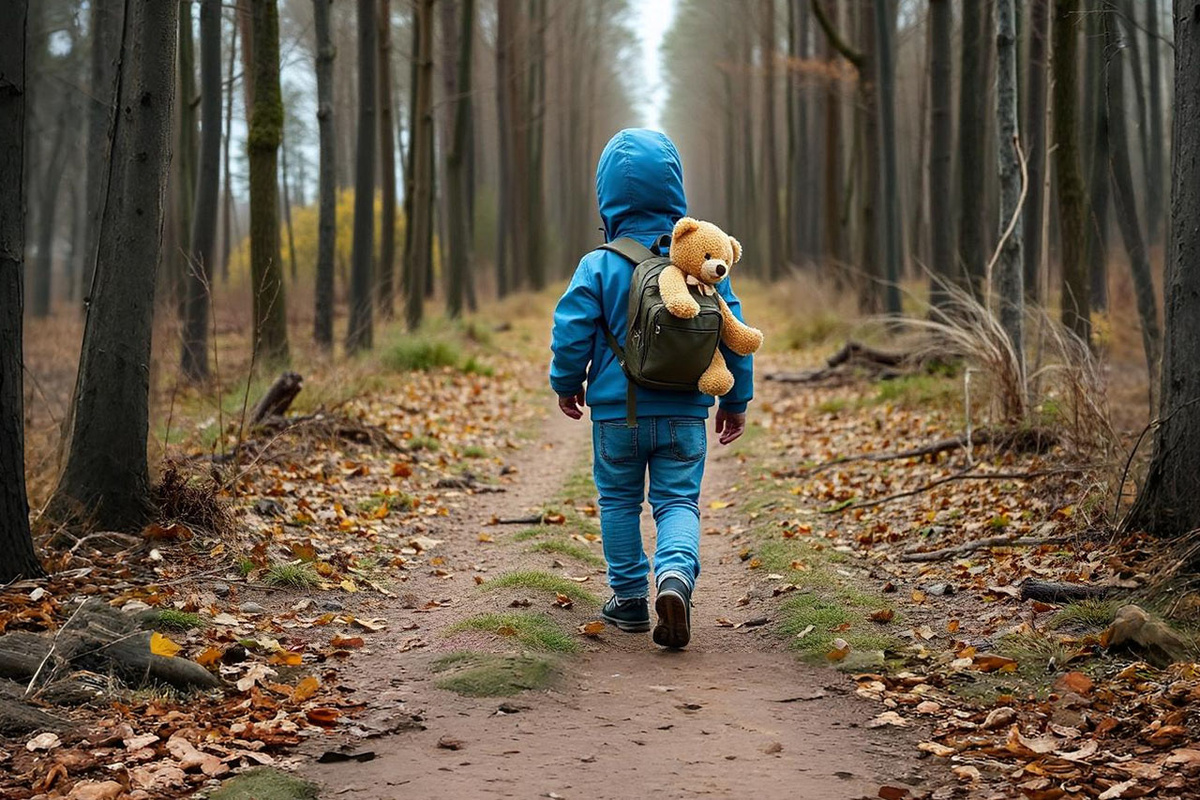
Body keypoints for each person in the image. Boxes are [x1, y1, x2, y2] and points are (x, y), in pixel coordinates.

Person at [549, 128, 754, 649]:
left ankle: (629, 600)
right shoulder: (702, 259)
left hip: (617, 414)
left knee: (619, 502)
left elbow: (571, 329)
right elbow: (733, 331)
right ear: (676, 187)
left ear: (606, 195)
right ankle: (675, 577)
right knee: (678, 502)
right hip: (685, 412)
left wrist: (566, 383)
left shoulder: (599, 263)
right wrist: (735, 401)